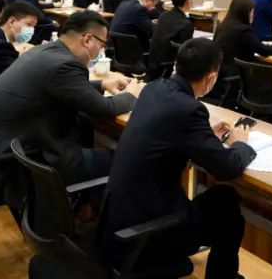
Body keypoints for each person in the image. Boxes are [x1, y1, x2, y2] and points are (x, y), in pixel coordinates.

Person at [98, 38, 254, 278]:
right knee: (227, 207)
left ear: (176, 66)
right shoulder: (189, 109)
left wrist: (204, 137)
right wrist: (240, 143)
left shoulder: (153, 89)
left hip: (118, 218)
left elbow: (169, 135)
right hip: (148, 230)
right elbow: (228, 168)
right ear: (211, 78)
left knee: (222, 200)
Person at [0, 11, 143, 184]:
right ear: (87, 40)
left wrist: (102, 84)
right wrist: (131, 94)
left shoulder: (44, 51)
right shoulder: (65, 65)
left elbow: (58, 85)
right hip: (16, 162)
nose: (101, 50)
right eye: (102, 44)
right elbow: (104, 109)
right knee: (128, 159)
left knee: (84, 123)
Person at [213, 0, 272, 93]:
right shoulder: (243, 30)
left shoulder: (222, 26)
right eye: (252, 12)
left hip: (219, 78)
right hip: (236, 78)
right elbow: (263, 50)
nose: (253, 15)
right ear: (244, 13)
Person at [146, 0, 196, 80]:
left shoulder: (163, 15)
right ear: (188, 2)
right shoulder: (186, 24)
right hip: (167, 67)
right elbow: (185, 54)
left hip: (153, 64)